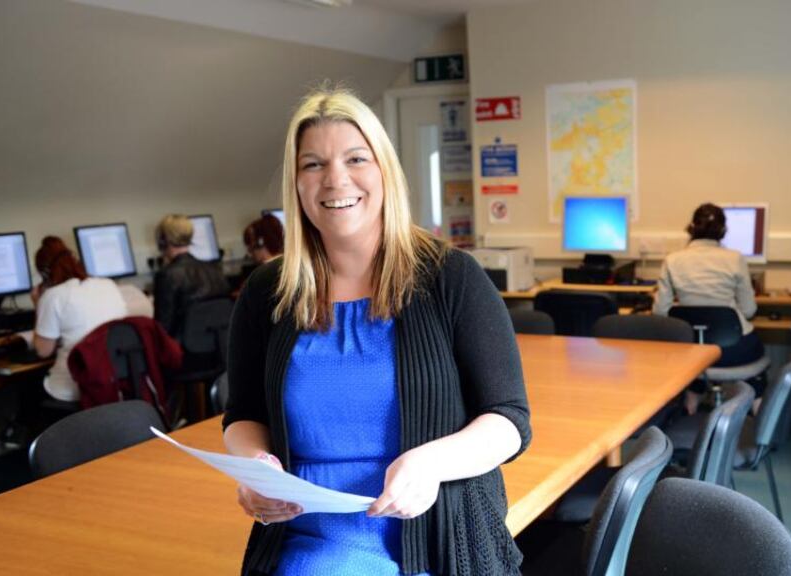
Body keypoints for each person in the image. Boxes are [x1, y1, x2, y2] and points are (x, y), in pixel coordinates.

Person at [223, 87, 531, 576]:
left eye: (355, 159)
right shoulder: (267, 292)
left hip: (438, 540)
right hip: (308, 539)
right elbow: (243, 415)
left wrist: (434, 463)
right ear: (296, 184)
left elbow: (509, 420)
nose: (335, 179)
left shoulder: (451, 277)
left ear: (384, 169)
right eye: (313, 165)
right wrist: (255, 467)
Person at [652, 203, 767, 414]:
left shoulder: (672, 260)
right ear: (723, 230)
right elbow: (749, 310)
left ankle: (690, 407)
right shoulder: (735, 259)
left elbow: (660, 313)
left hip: (692, 351)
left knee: (696, 358)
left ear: (691, 227)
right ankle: (759, 416)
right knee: (755, 364)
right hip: (732, 350)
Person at [31, 236, 127, 402]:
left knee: (22, 388)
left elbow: (43, 351)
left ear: (45, 274)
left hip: (75, 387)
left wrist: (38, 306)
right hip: (114, 381)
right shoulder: (108, 284)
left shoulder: (52, 296)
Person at [152, 214, 230, 339]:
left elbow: (163, 328)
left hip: (186, 348)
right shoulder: (215, 270)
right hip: (220, 345)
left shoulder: (166, 276)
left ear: (163, 241)